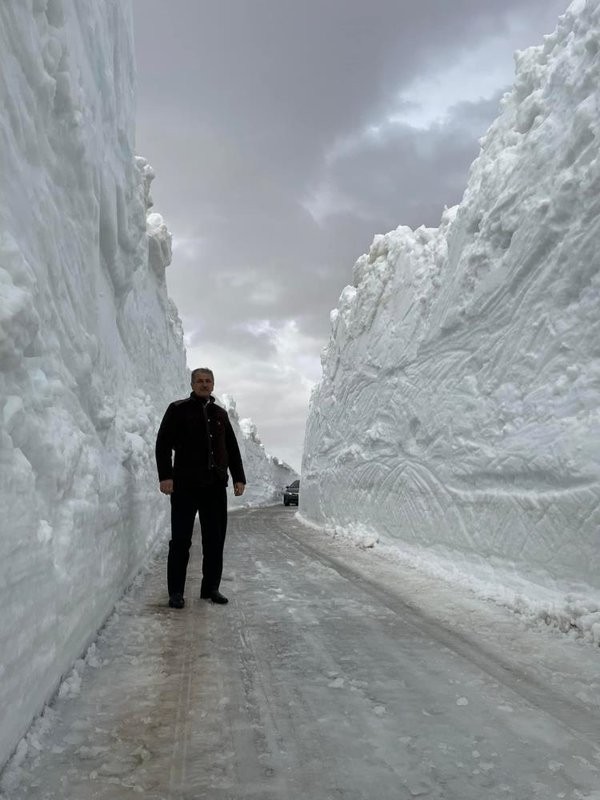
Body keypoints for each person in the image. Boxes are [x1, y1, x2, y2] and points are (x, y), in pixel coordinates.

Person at [155, 368, 246, 608]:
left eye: (208, 381)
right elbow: (163, 443)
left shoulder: (220, 414)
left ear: (213, 384)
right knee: (181, 541)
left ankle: (210, 589)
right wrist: (165, 475)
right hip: (185, 485)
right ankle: (176, 592)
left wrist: (239, 477)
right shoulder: (178, 409)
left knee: (215, 540)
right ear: (192, 384)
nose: (204, 385)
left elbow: (232, 448)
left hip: (215, 486)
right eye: (200, 381)